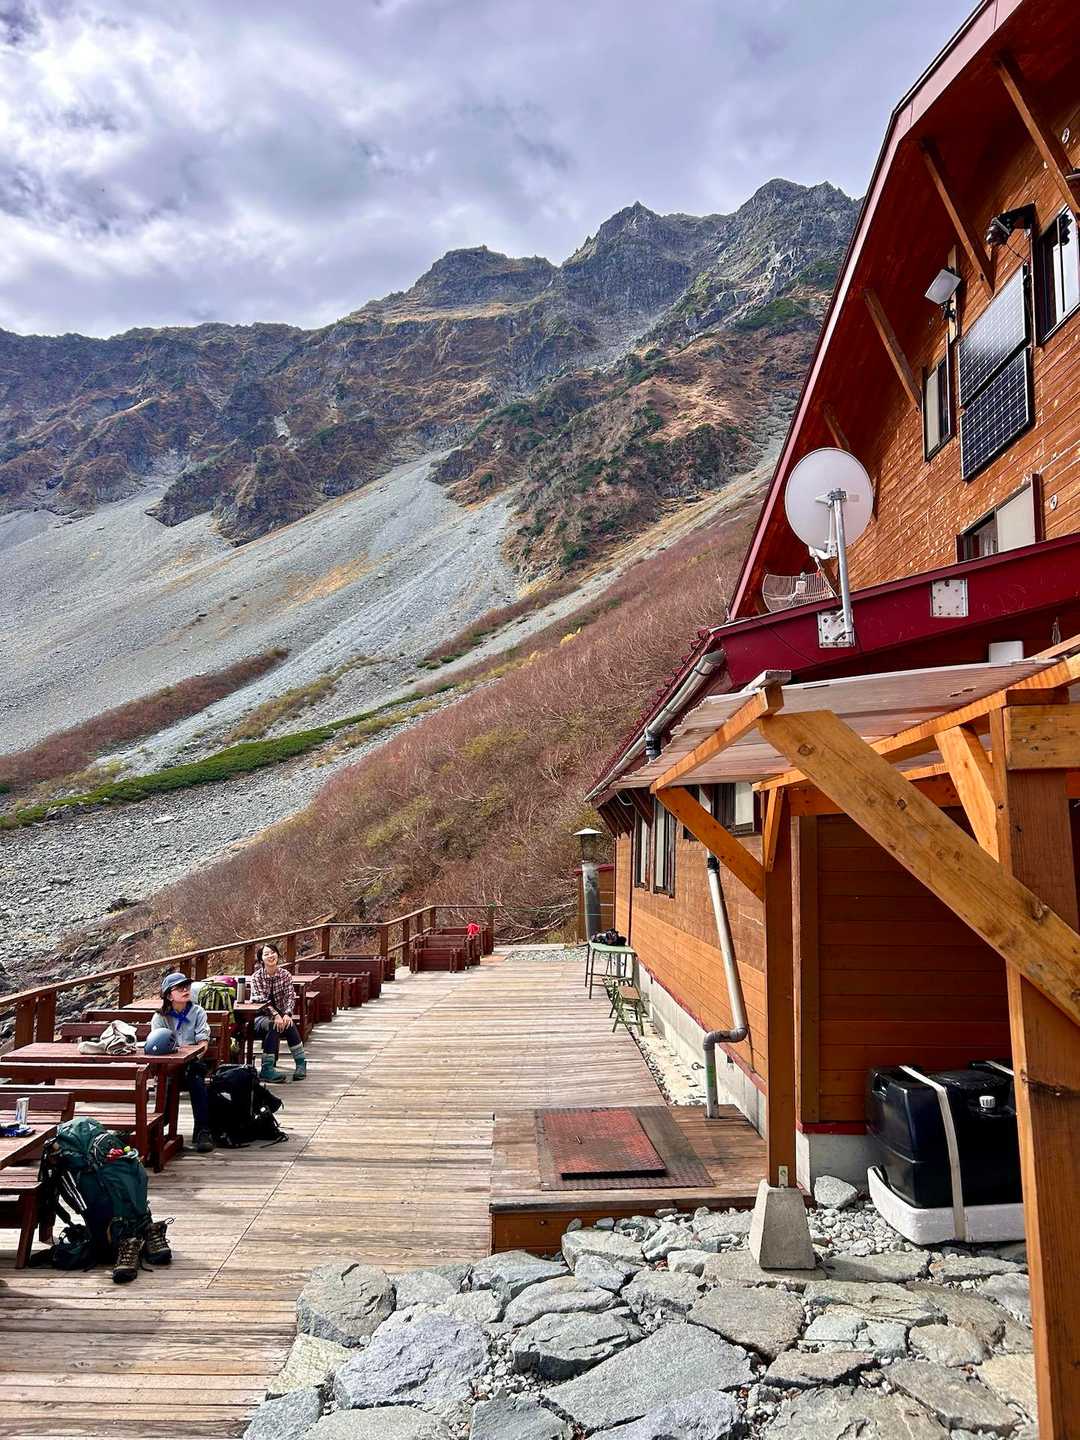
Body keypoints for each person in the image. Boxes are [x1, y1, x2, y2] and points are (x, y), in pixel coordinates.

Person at [149, 971, 215, 1153]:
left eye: (187, 986)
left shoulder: (198, 1012)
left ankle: (202, 1131)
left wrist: (190, 1055)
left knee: (195, 1077)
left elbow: (203, 1043)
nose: (185, 990)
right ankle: (157, 1128)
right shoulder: (160, 1017)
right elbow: (157, 1047)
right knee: (167, 1080)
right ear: (169, 996)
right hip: (169, 1065)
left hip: (193, 1062)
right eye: (179, 988)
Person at [249, 943, 307, 1083]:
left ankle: (301, 1063)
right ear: (261, 959)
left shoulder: (285, 975)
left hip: (281, 1014)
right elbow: (260, 1000)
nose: (270, 956)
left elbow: (290, 996)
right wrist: (275, 1015)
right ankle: (267, 1068)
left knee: (289, 1024)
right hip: (260, 1016)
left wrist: (287, 1014)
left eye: (273, 952)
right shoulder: (256, 977)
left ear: (278, 955)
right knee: (273, 1024)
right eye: (266, 954)